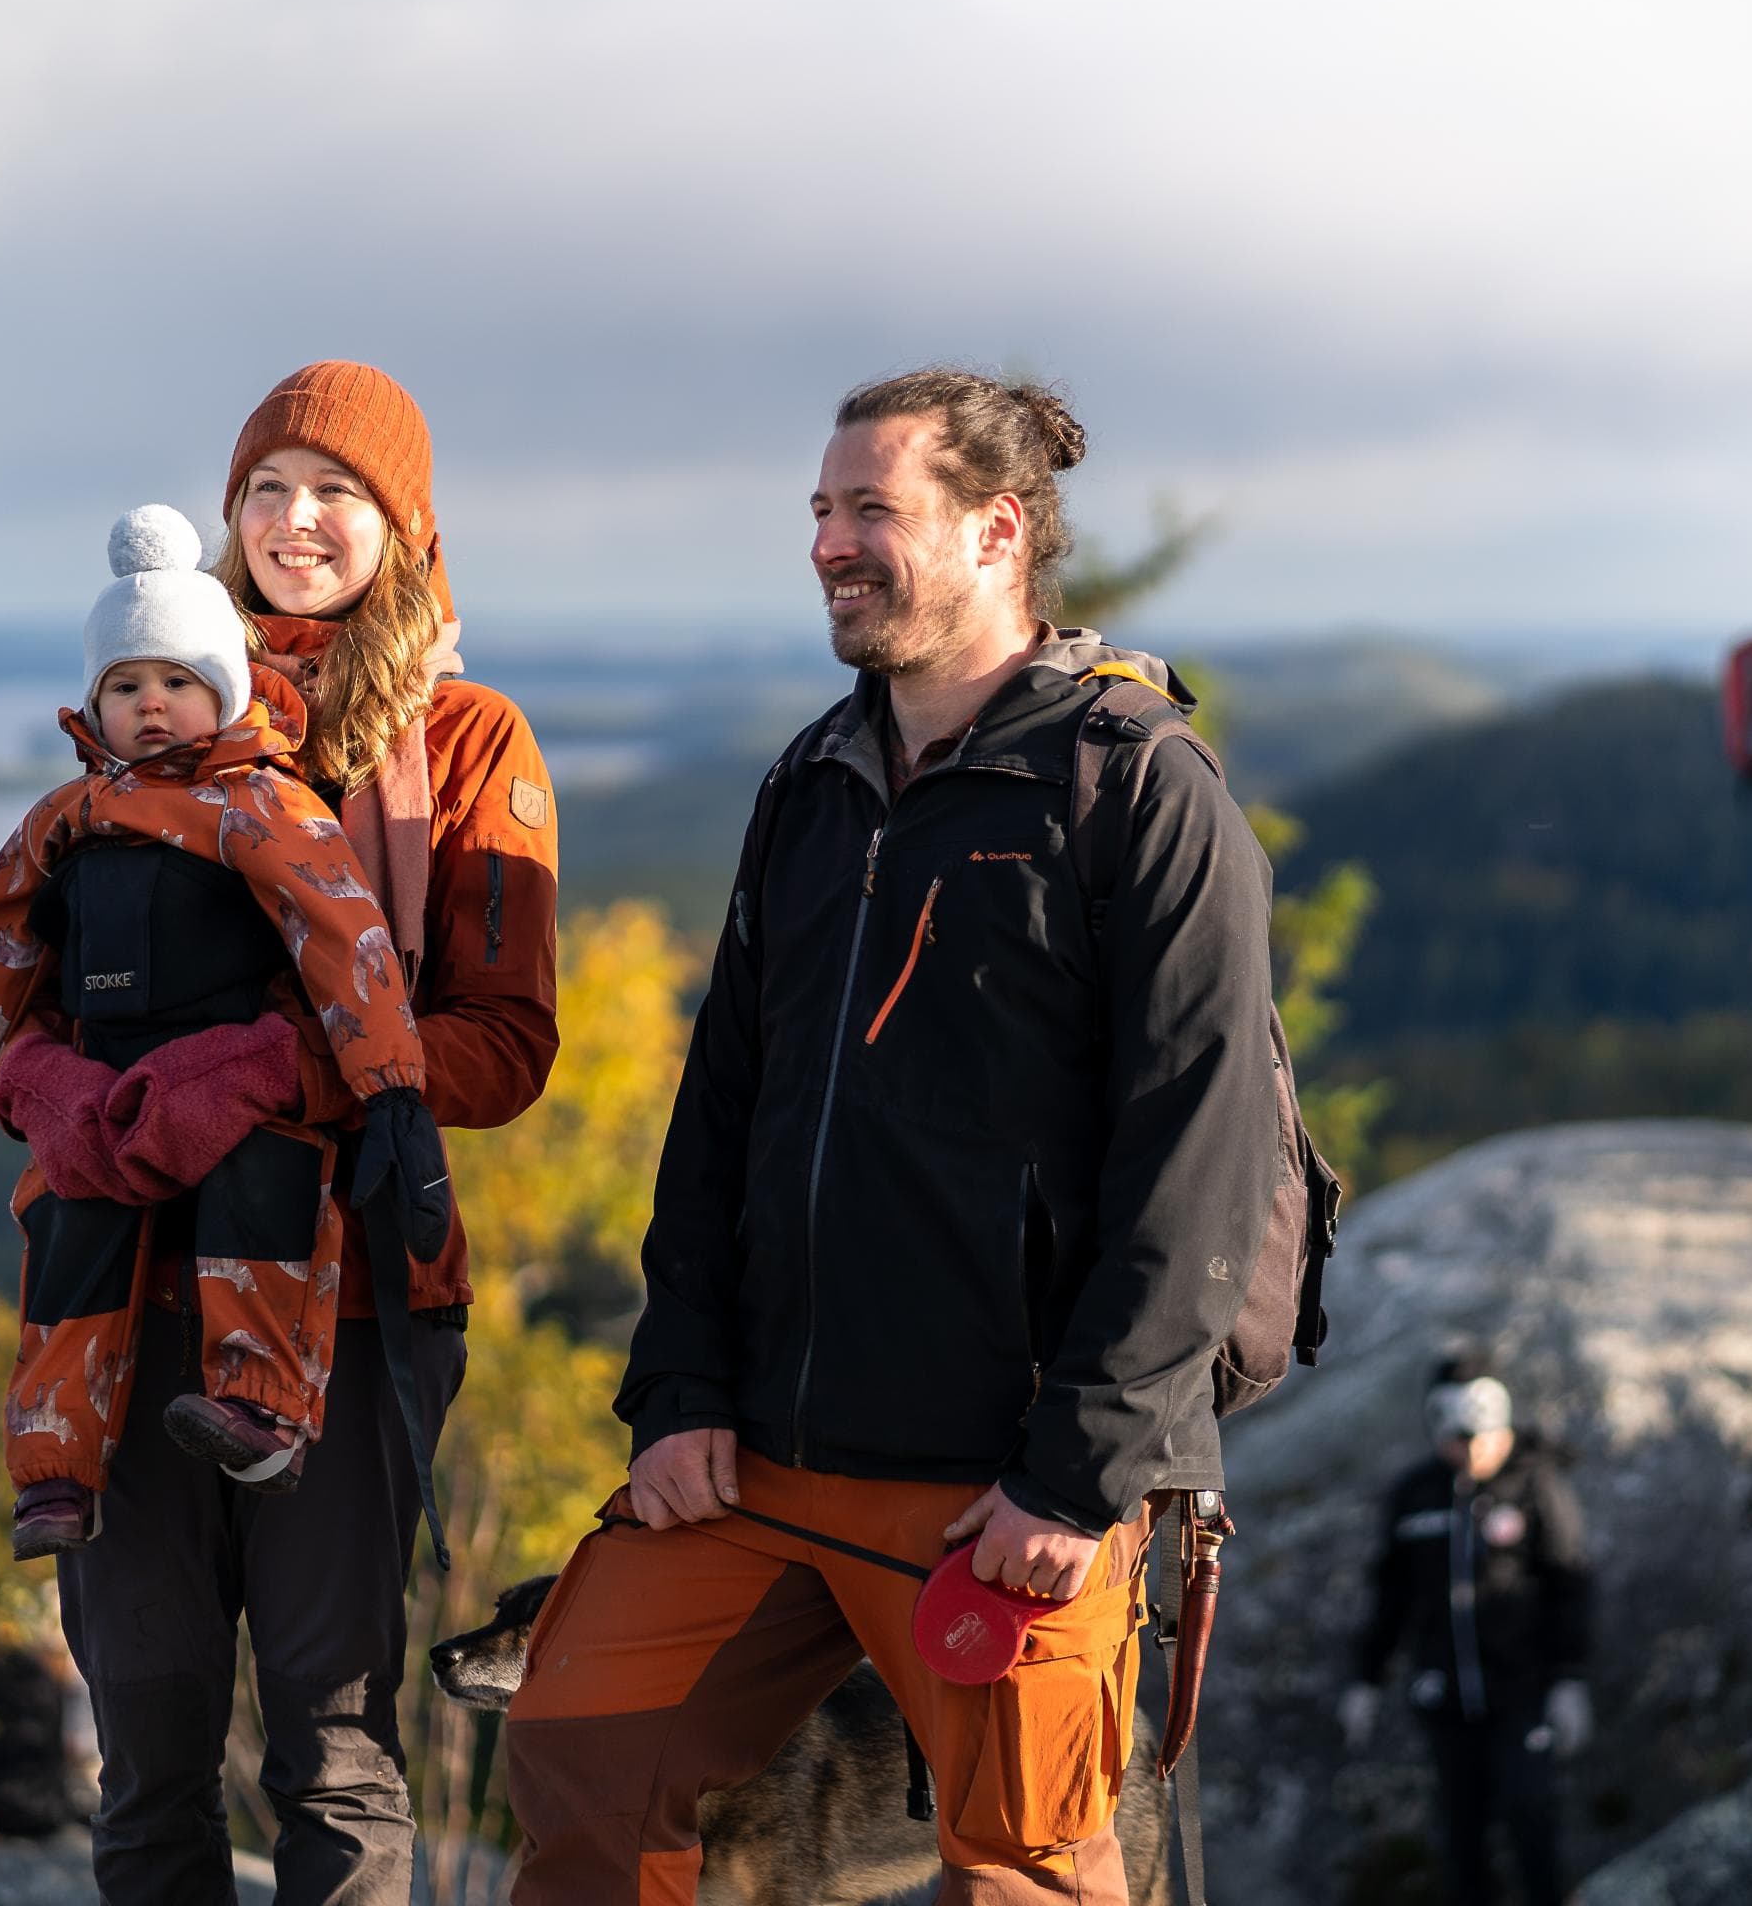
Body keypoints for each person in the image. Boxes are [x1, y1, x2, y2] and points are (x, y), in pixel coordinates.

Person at [500, 368, 1282, 1904]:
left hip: (1003, 1478)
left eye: (871, 509)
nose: (828, 544)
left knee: (1028, 1869)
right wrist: (677, 1389)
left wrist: (1081, 1474)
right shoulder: (816, 781)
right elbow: (722, 1106)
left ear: (997, 531)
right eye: (819, 510)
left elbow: (1203, 1158)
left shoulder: (1135, 788)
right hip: (761, 1462)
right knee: (587, 1755)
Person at [0, 363, 562, 1905]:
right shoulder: (155, 719)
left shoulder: (466, 740)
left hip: (355, 1296)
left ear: (405, 522)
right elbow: (36, 971)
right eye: (269, 486)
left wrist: (276, 1073)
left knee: (333, 1748)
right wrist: (40, 1089)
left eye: (339, 489)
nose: (298, 519)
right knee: (147, 1752)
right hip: (123, 1293)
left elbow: (506, 1046)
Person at [0, 505, 446, 1564]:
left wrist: (394, 1092)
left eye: (178, 682)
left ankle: (263, 1406)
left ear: (223, 688)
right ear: (93, 700)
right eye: (126, 685)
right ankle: (54, 1465)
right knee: (70, 1231)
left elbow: (343, 935)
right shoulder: (65, 819)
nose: (151, 705)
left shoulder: (260, 805)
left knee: (261, 1198)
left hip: (230, 1073)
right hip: (102, 1085)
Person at [1340, 1358, 1592, 1906]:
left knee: (1531, 1815)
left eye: (1485, 1436)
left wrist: (1570, 1679)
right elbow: (1392, 1596)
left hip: (1524, 1691)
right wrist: (1366, 1679)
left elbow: (1570, 1584)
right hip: (1444, 1697)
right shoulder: (1414, 1495)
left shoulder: (1536, 1487)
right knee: (1461, 1835)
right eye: (1460, 1438)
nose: (1474, 1450)